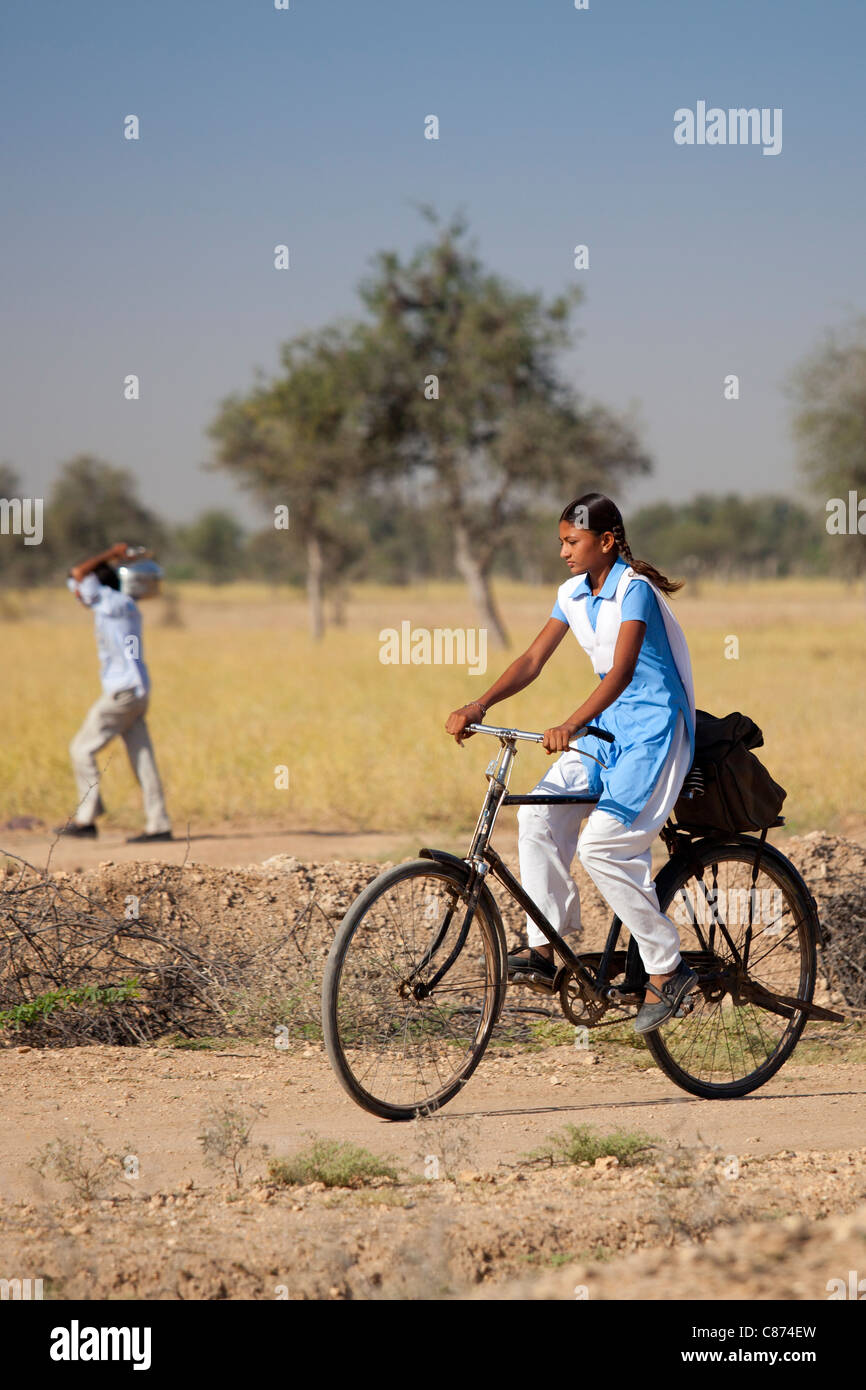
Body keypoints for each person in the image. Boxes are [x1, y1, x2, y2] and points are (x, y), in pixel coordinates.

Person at [445, 492, 697, 1034]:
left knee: (602, 846)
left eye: (573, 541)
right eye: (561, 541)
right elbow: (533, 659)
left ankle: (668, 968)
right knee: (536, 815)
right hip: (608, 732)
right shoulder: (572, 594)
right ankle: (545, 947)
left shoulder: (636, 592)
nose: (563, 551)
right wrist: (479, 704)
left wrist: (572, 723)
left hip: (654, 735)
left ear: (607, 542)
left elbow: (623, 672)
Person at [55, 541, 173, 844]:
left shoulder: (110, 603)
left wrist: (109, 553)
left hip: (122, 693)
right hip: (138, 691)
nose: (78, 595)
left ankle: (87, 818)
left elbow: (78, 573)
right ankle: (159, 824)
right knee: (143, 759)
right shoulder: (125, 605)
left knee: (81, 749)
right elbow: (79, 579)